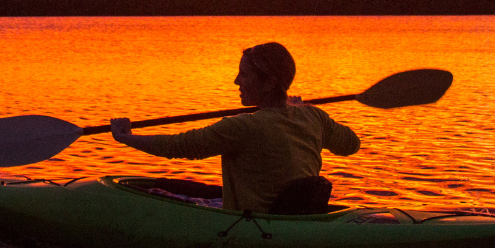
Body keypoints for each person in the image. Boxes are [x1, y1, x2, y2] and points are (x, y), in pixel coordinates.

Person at [110, 42, 359, 213]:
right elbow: (351, 144)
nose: (236, 81)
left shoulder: (243, 126)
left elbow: (180, 146)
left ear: (269, 82)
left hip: (256, 222)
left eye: (245, 75)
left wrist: (126, 138)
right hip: (296, 214)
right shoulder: (314, 117)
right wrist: (304, 109)